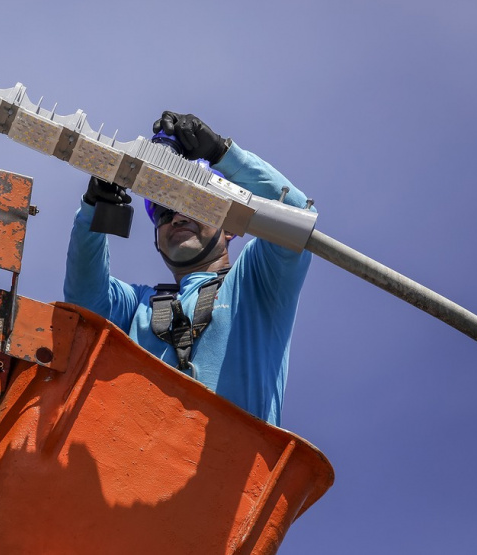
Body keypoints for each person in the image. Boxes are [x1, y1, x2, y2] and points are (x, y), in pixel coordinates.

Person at [63, 111, 314, 426]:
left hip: (233, 468)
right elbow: (83, 295)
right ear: (156, 239)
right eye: (165, 213)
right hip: (142, 465)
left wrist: (221, 154)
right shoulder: (137, 307)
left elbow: (295, 217)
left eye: (195, 205)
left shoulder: (257, 281)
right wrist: (94, 208)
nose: (177, 217)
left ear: (230, 228)